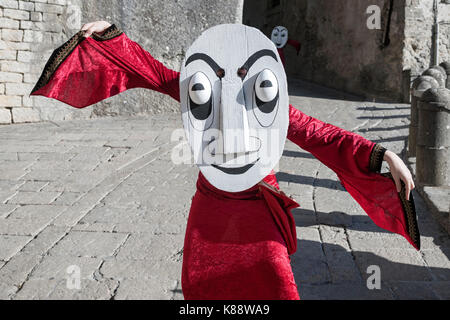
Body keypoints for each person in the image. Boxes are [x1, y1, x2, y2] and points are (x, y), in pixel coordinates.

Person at [31, 21, 419, 300]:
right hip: (211, 212)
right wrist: (109, 37)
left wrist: (384, 155)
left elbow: (324, 136)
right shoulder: (196, 91)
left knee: (277, 284)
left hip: (259, 212)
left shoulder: (274, 106)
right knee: (205, 292)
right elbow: (147, 70)